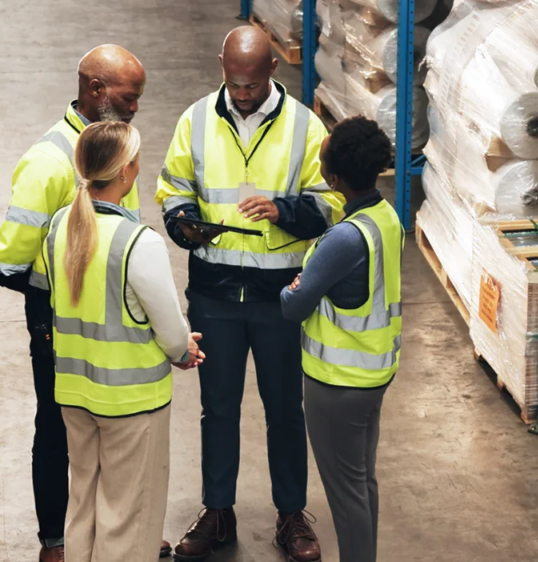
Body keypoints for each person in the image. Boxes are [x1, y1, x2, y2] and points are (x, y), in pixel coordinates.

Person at [155, 26, 344, 562]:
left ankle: (291, 516)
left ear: (272, 73)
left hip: (278, 295)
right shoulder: (194, 119)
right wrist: (184, 224)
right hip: (214, 293)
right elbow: (173, 188)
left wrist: (283, 210)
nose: (241, 94)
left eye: (252, 85)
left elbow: (329, 202)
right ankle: (218, 512)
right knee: (217, 408)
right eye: (234, 83)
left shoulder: (306, 127)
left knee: (285, 408)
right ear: (221, 65)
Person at [0, 45, 172, 561]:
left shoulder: (116, 149)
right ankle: (56, 540)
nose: (136, 107)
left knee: (109, 429)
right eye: (129, 97)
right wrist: (67, 294)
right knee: (58, 424)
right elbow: (6, 265)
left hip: (113, 317)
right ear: (96, 91)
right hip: (60, 319)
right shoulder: (48, 163)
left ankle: (121, 530)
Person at [42, 121, 204, 562]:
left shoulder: (61, 226)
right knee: (127, 521)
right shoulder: (138, 243)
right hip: (132, 403)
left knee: (84, 510)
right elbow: (169, 328)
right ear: (127, 172)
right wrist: (182, 350)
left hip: (75, 394)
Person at [279, 117, 403, 562]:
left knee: (346, 494)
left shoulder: (343, 240)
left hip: (337, 383)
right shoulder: (383, 217)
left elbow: (293, 306)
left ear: (333, 179)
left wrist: (293, 285)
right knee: (362, 481)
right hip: (372, 375)